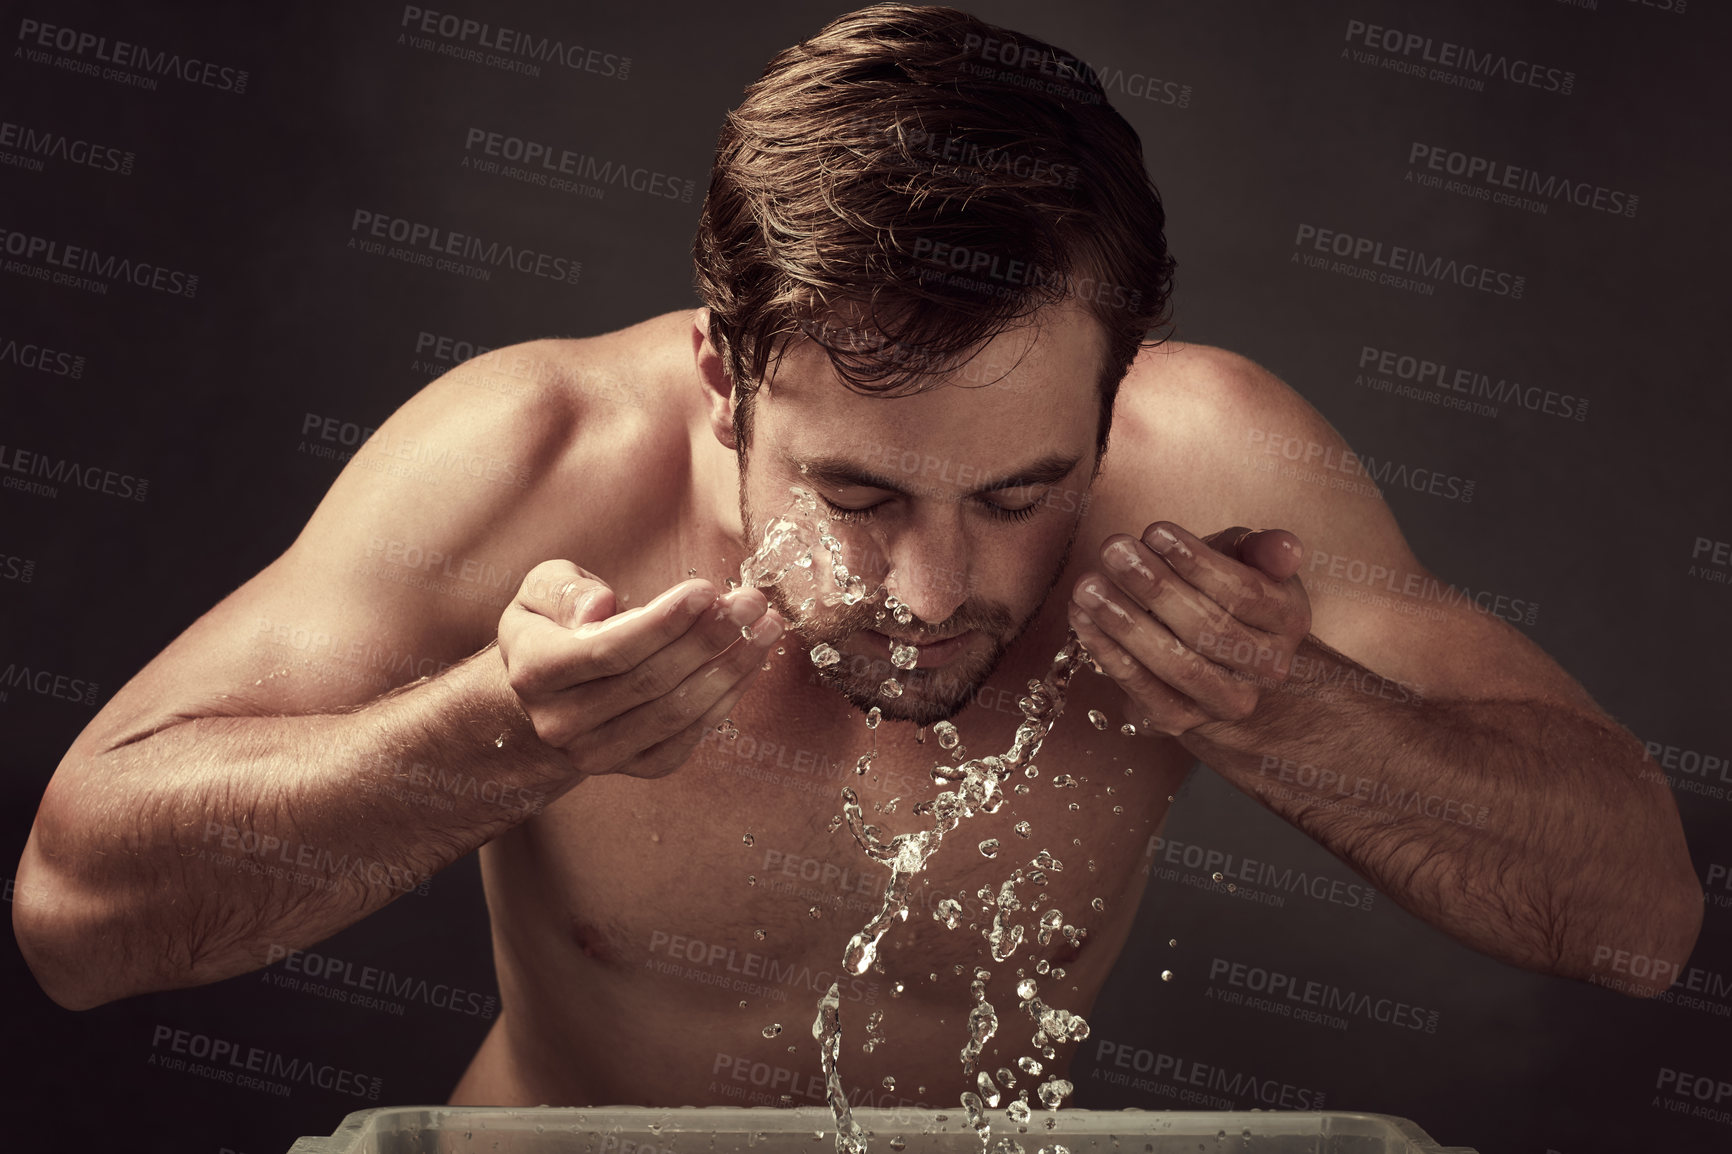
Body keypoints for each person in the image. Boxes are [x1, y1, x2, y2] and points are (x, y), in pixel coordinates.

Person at [12, 3, 1699, 1111]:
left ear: (1120, 396)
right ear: (721, 379)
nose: (933, 590)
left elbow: (1641, 921)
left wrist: (1297, 712)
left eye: (1024, 491)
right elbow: (73, 919)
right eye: (863, 497)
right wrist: (500, 735)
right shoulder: (531, 457)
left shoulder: (1213, 472)